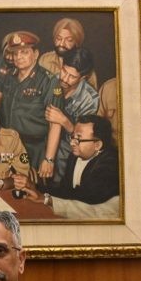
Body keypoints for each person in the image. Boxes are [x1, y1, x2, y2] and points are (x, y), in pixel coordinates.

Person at [13, 115, 120, 219]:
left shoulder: (110, 163)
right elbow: (64, 190)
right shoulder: (74, 156)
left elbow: (87, 197)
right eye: (72, 137)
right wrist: (34, 187)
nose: (72, 143)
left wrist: (44, 197)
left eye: (78, 139)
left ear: (97, 145)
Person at [0, 31, 59, 171]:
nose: (18, 57)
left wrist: (49, 159)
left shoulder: (48, 81)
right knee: (1, 180)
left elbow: (55, 124)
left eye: (24, 52)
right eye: (15, 53)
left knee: (30, 186)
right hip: (7, 146)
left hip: (33, 149)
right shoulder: (8, 77)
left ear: (36, 54)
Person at [41, 48, 99, 184]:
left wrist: (65, 121)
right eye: (64, 71)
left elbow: (84, 140)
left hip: (69, 155)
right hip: (43, 145)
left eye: (72, 76)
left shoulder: (89, 99)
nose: (64, 79)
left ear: (83, 77)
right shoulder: (51, 81)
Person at [37, 18, 98, 88]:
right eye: (59, 38)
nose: (62, 44)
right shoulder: (45, 59)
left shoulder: (86, 65)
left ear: (76, 42)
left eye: (69, 40)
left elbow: (92, 94)